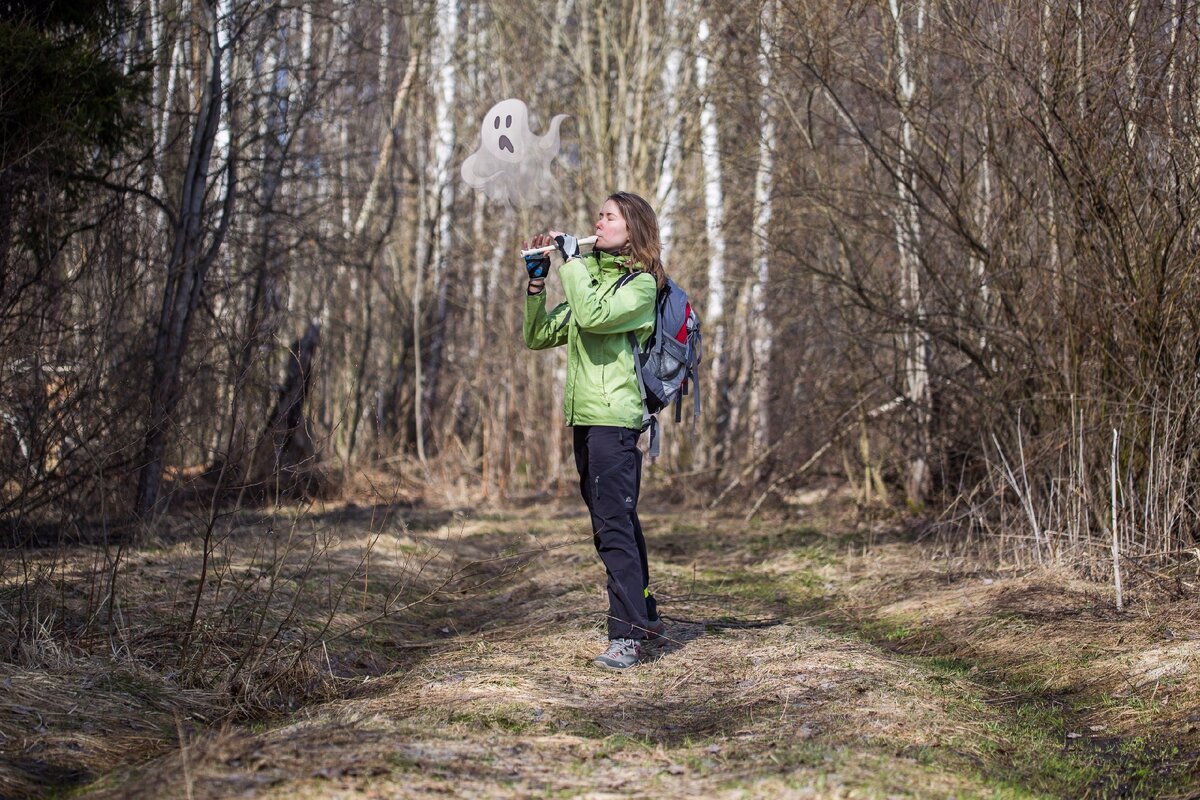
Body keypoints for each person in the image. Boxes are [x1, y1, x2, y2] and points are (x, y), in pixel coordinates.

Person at [522, 191, 668, 670]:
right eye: (598, 216)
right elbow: (539, 336)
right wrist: (537, 285)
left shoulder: (641, 286)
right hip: (585, 420)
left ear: (633, 228)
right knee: (617, 521)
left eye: (609, 217)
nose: (597, 222)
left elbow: (593, 316)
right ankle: (644, 614)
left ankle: (626, 637)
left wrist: (572, 260)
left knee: (612, 528)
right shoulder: (592, 279)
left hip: (615, 420)